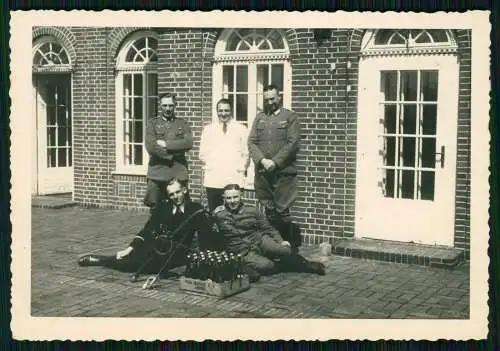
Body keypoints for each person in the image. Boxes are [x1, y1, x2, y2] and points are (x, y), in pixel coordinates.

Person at [77, 178, 215, 275]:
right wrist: (130, 248)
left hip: (177, 252)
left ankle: (102, 260)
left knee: (144, 265)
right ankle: (100, 259)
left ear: (184, 190)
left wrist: (204, 258)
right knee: (131, 259)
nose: (175, 196)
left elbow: (205, 236)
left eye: (178, 192)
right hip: (157, 246)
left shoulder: (195, 209)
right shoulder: (164, 208)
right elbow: (148, 229)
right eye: (171, 194)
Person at [213, 184, 325, 277]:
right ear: (224, 198)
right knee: (267, 267)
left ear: (241, 196)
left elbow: (268, 228)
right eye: (229, 198)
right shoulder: (219, 215)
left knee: (286, 250)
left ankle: (308, 265)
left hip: (259, 240)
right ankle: (283, 265)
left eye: (235, 197)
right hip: (242, 249)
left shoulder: (252, 210)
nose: (232, 201)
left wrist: (281, 241)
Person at [248, 84, 301, 247]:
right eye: (266, 100)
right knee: (269, 209)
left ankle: (287, 248)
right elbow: (251, 141)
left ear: (279, 97)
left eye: (273, 99)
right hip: (264, 172)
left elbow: (293, 143)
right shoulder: (260, 118)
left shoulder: (290, 117)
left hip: (283, 173)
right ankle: (273, 247)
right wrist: (262, 160)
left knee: (282, 210)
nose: (270, 102)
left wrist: (276, 162)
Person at [144, 93, 193, 210]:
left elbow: (188, 143)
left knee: (181, 206)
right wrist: (172, 155)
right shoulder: (152, 124)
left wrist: (166, 144)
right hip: (157, 173)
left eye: (170, 105)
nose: (167, 109)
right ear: (160, 106)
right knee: (155, 206)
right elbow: (151, 147)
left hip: (178, 171)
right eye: (164, 105)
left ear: (175, 105)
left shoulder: (182, 123)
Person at [199, 98, 250, 212]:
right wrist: (216, 163)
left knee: (234, 211)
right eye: (220, 110)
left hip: (234, 178)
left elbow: (246, 154)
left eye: (226, 110)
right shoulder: (208, 129)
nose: (223, 113)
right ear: (216, 111)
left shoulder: (241, 129)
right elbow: (202, 154)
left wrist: (237, 168)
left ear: (231, 111)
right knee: (215, 212)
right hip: (214, 179)